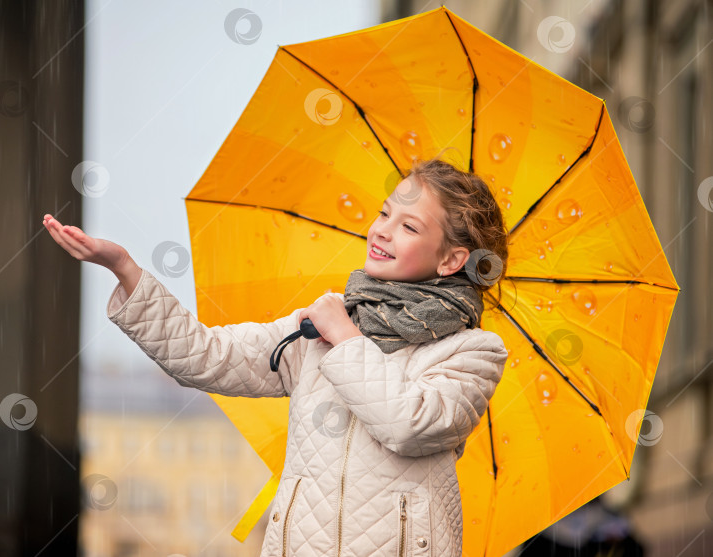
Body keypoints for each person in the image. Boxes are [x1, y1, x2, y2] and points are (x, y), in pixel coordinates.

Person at [43, 157, 510, 557]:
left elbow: (409, 425)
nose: (382, 231)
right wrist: (125, 270)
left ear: (451, 261)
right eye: (385, 213)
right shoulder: (323, 326)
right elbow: (207, 356)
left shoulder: (472, 352)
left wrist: (345, 338)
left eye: (408, 226)